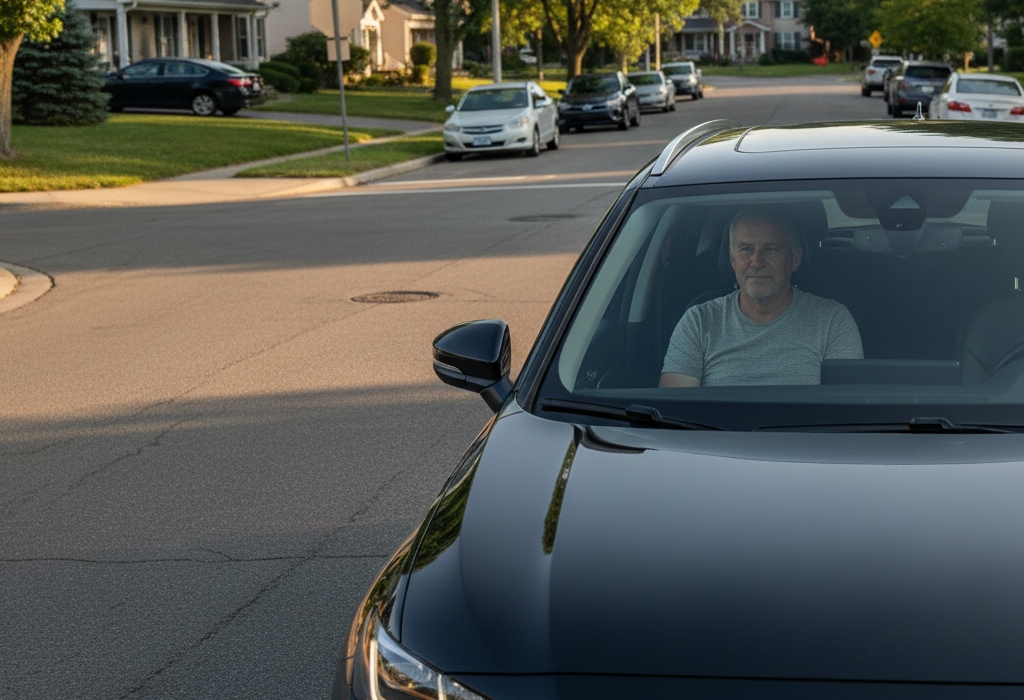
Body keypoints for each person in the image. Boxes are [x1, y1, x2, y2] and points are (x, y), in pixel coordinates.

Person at [659, 207, 863, 387]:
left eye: (771, 249)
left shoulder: (833, 321)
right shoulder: (698, 322)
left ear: (795, 259)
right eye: (746, 249)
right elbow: (672, 416)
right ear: (732, 259)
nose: (757, 261)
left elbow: (845, 412)